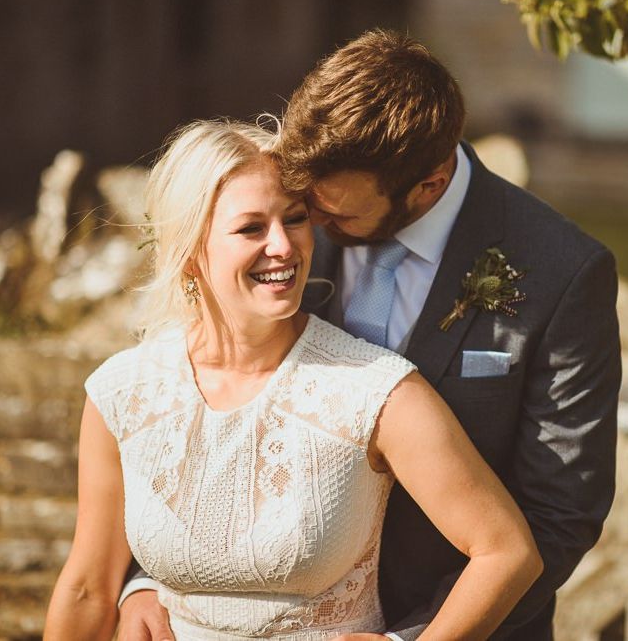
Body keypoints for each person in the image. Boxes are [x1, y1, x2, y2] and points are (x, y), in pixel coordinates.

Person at [118, 30, 621, 640]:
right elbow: (208, 389)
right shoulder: (293, 209)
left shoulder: (562, 270)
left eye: (336, 216)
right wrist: (147, 578)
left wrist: (410, 638)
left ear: (428, 186)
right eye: (309, 209)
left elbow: (558, 513)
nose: (308, 229)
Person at [44, 119, 542, 641]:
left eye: (295, 219)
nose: (282, 246)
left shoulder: (373, 390)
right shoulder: (122, 392)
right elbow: (87, 588)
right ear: (191, 252)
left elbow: (506, 551)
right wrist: (137, 590)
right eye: (251, 228)